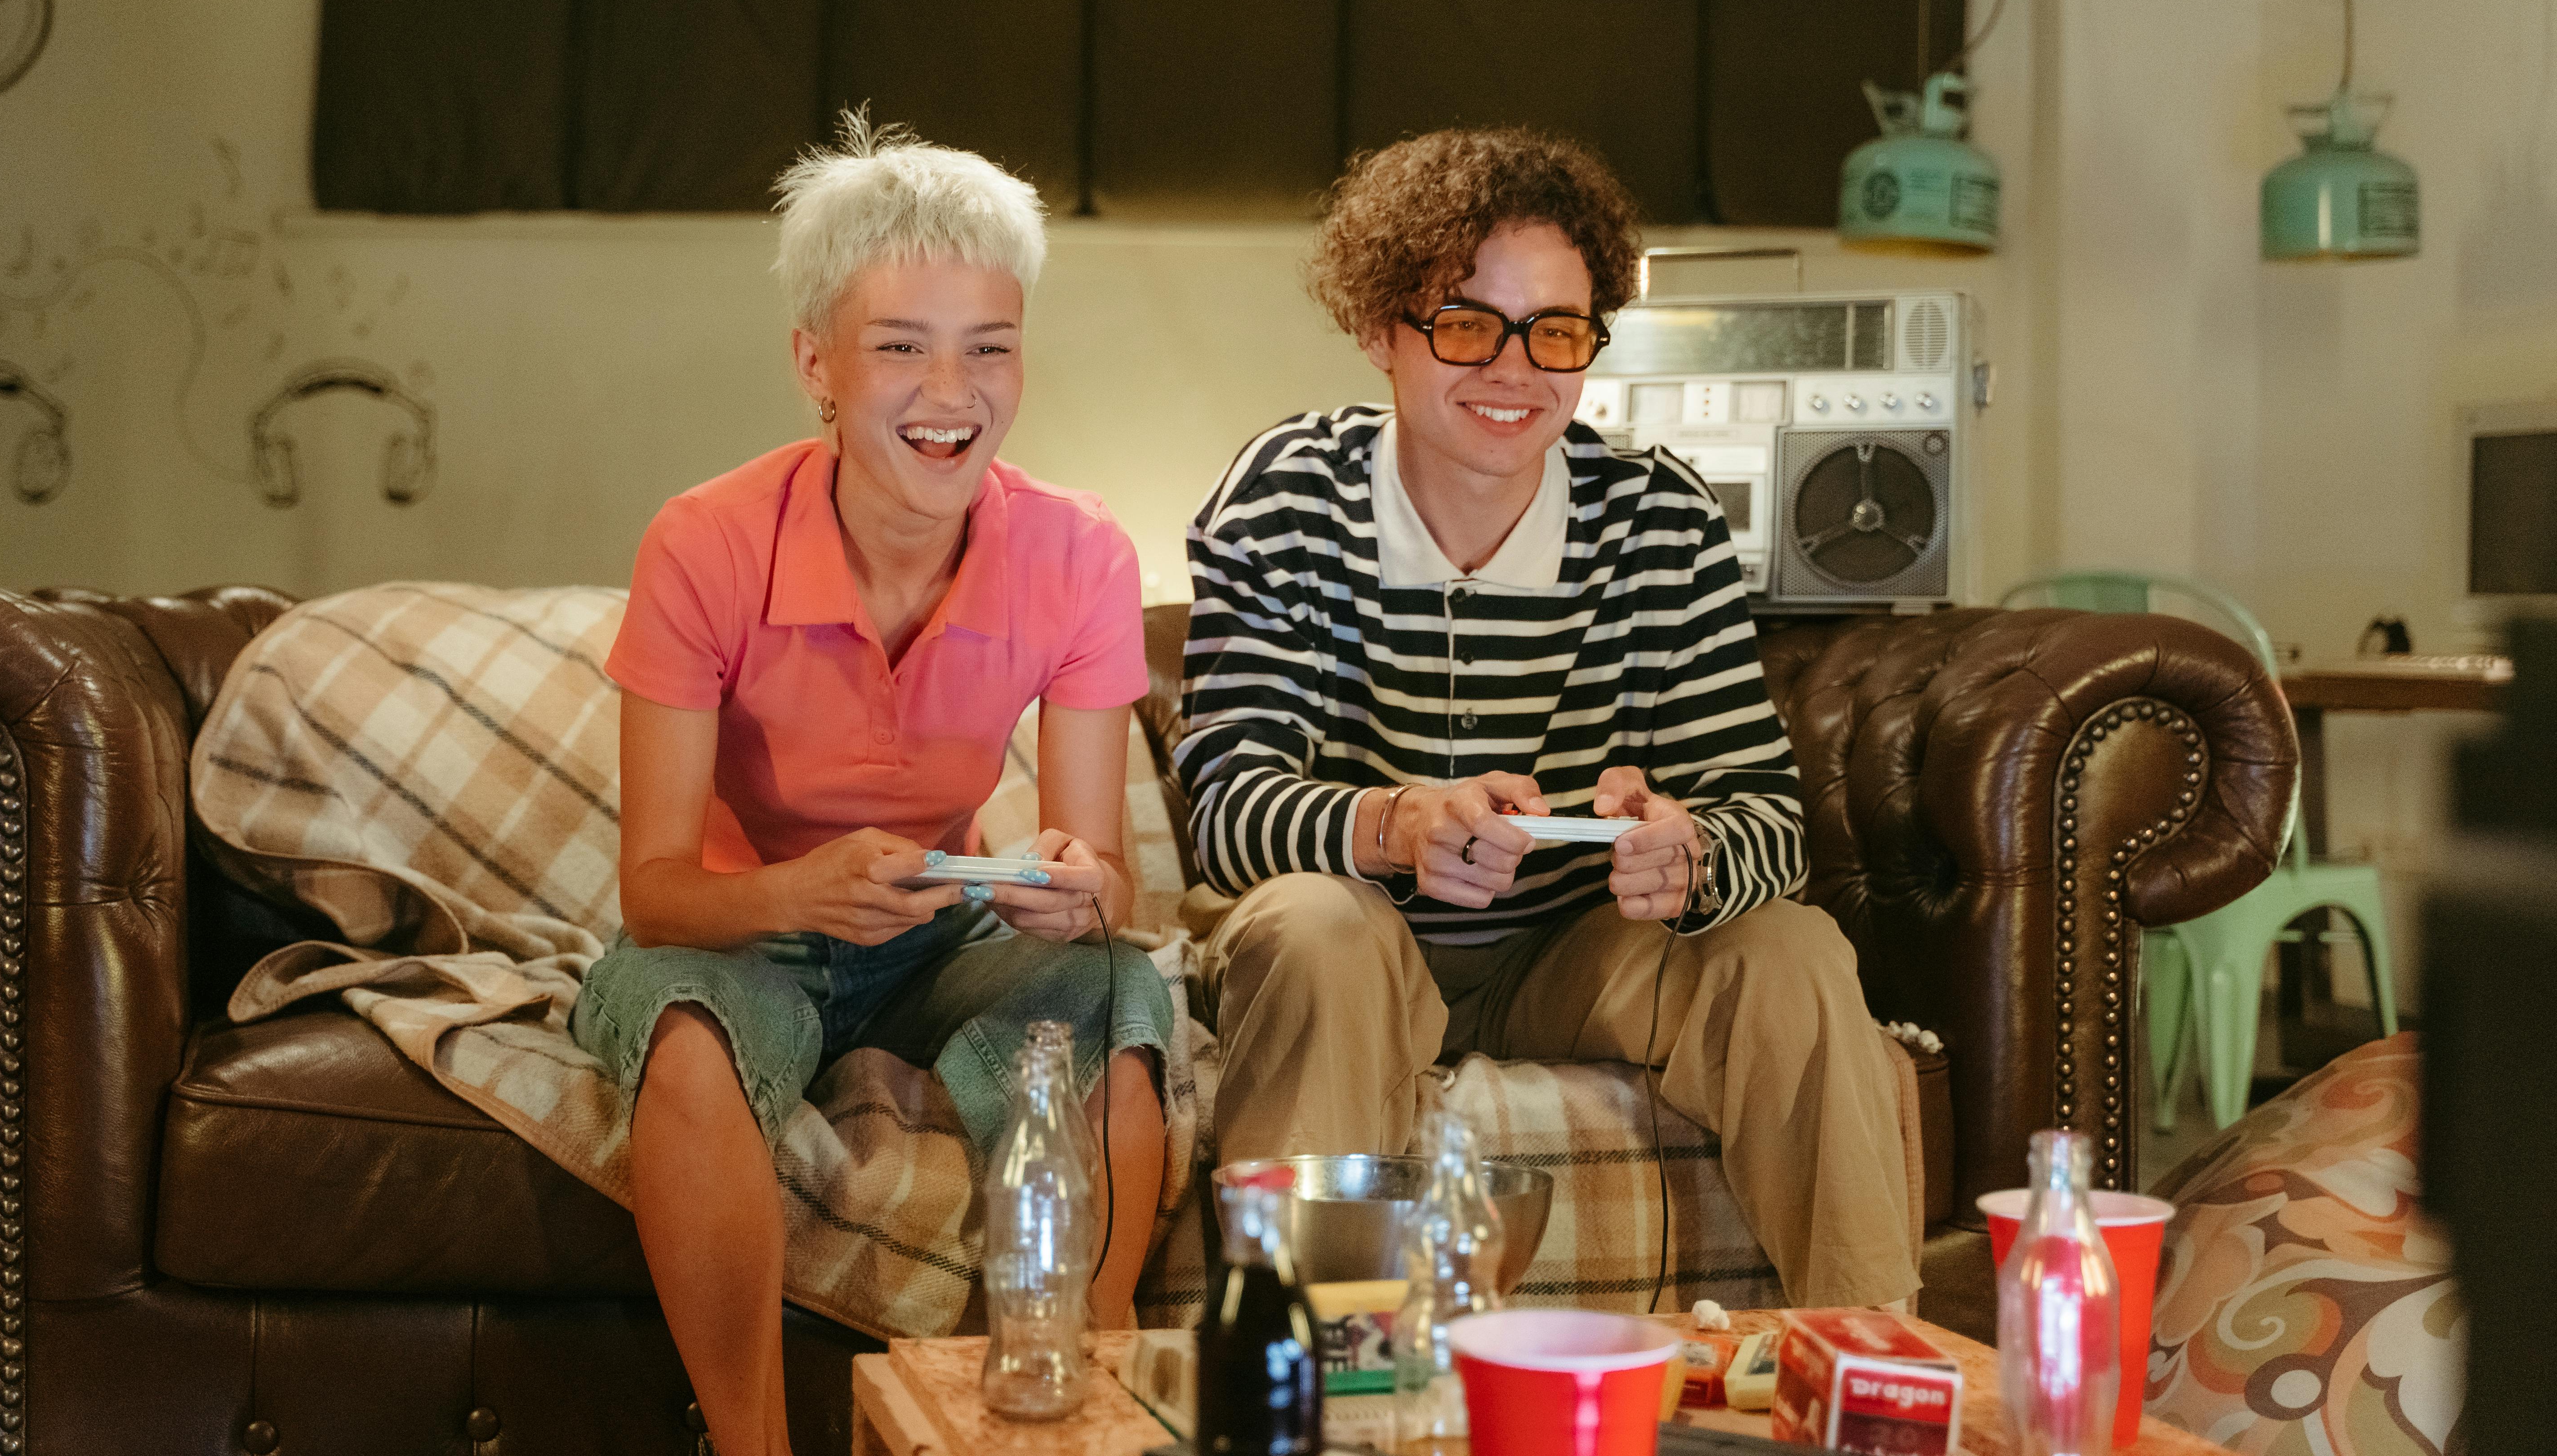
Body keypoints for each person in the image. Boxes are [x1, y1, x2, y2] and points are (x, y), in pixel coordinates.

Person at [1174, 127, 1916, 1311]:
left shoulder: (1655, 520)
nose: (1515, 369)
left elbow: (1770, 818)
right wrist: (1398, 824)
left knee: (1793, 948)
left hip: (1575, 961)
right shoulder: (1289, 494)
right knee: (1320, 932)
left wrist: (1696, 849)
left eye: (1557, 332)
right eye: (1466, 324)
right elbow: (1226, 812)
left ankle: (1870, 1379)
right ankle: (1304, 1388)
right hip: (1353, 950)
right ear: (1380, 332)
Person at [575, 114, 1174, 1456]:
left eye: (989, 347)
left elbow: (1110, 874)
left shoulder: (1079, 555)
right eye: (901, 345)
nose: (949, 389)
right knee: (679, 1025)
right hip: (732, 936)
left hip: (933, 939)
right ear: (818, 367)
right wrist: (798, 890)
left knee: (1124, 985)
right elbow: (656, 892)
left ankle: (1091, 1397)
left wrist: (1075, 893)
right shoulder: (705, 541)